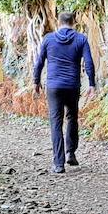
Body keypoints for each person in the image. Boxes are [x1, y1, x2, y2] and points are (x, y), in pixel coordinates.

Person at [33, 10, 96, 174]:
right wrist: (91, 84)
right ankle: (70, 153)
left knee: (56, 122)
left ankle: (58, 164)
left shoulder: (48, 39)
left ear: (58, 22)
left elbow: (39, 62)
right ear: (74, 22)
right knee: (72, 118)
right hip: (72, 86)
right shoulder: (81, 39)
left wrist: (36, 82)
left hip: (54, 86)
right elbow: (88, 62)